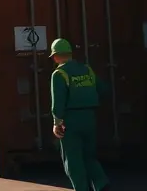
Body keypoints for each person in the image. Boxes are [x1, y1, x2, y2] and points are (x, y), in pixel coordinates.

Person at [50, 38, 109, 191]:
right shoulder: (87, 69)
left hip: (71, 122)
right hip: (89, 118)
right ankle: (102, 184)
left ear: (56, 56)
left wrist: (57, 122)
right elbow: (103, 89)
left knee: (73, 161)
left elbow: (58, 102)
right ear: (70, 53)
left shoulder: (59, 74)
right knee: (89, 156)